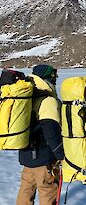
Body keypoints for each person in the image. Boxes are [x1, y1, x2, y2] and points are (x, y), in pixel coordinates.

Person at [16, 64, 64, 205]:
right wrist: (61, 156)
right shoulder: (47, 100)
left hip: (26, 155)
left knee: (26, 191)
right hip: (44, 159)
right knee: (48, 192)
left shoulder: (28, 94)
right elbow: (51, 133)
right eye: (54, 77)